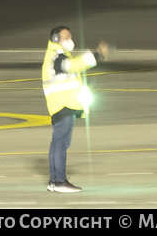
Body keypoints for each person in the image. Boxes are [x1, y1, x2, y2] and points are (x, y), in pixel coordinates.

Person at [42, 26, 110, 192]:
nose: (71, 40)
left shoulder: (56, 54)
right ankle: (59, 182)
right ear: (57, 39)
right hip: (64, 104)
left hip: (61, 104)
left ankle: (54, 181)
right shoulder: (57, 57)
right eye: (67, 37)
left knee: (57, 143)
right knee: (61, 144)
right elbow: (73, 66)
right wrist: (96, 54)